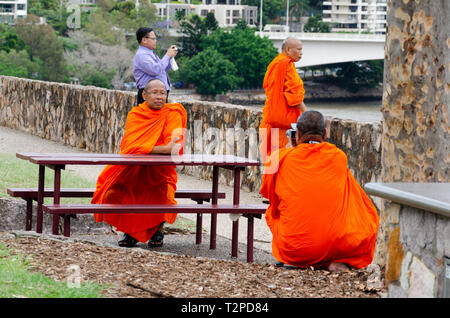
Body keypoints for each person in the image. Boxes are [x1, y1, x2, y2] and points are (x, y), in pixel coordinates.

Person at [260, 110, 379, 272]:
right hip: (335, 246)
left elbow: (266, 192)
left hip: (294, 249)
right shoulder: (338, 157)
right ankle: (331, 261)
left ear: (297, 134)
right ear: (324, 134)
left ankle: (300, 260)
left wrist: (289, 149)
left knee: (271, 212)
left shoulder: (278, 158)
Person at [92, 79, 187, 248]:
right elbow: (130, 147)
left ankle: (157, 230)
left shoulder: (172, 113)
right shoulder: (136, 114)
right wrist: (159, 148)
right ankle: (130, 232)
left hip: (160, 172)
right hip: (132, 171)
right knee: (112, 193)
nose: (160, 97)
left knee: (163, 195)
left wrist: (145, 148)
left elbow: (174, 149)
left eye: (163, 93)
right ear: (144, 95)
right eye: (155, 93)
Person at [259, 37, 308, 162]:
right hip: (283, 120)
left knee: (271, 159)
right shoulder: (285, 64)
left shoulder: (275, 63)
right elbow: (294, 95)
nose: (301, 53)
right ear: (288, 49)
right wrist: (307, 114)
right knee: (281, 158)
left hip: (271, 116)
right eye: (298, 49)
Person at [133, 27, 178, 105]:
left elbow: (162, 70)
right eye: (153, 39)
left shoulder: (150, 54)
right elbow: (155, 70)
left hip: (157, 93)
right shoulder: (142, 55)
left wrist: (170, 57)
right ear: (144, 40)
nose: (155, 41)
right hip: (149, 93)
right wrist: (167, 55)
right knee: (148, 117)